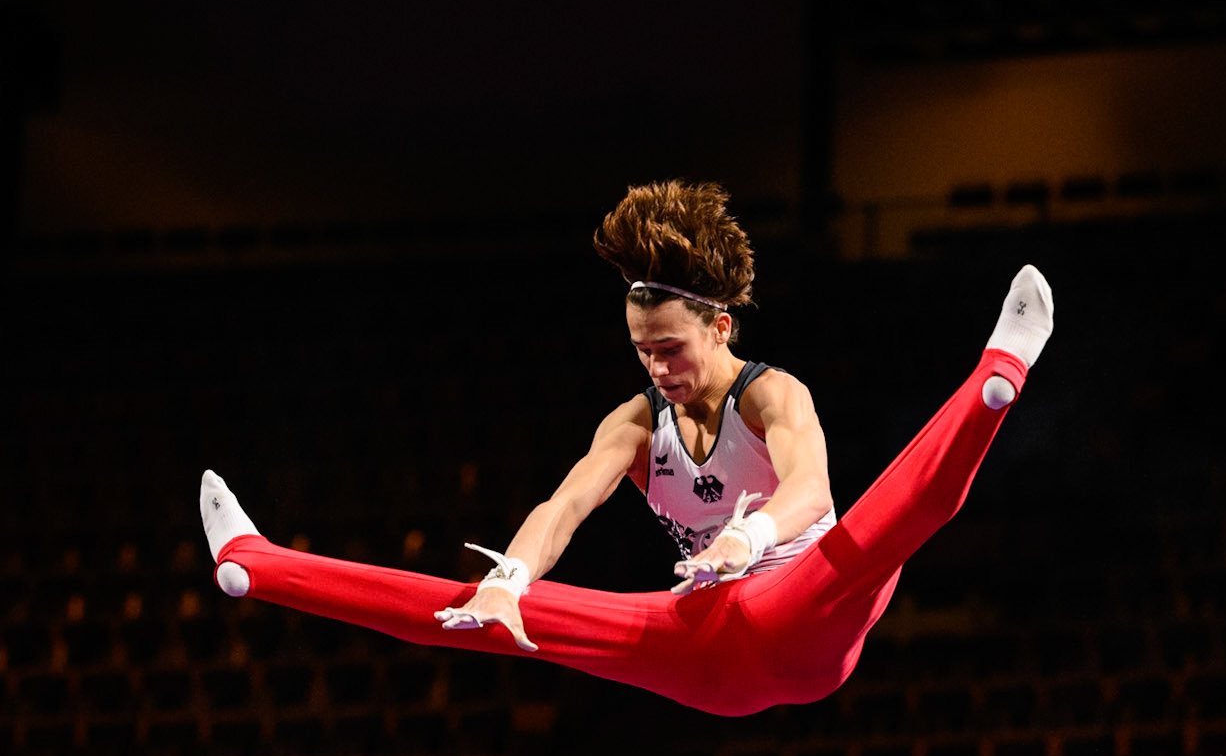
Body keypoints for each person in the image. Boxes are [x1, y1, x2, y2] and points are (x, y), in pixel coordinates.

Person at [199, 181, 1052, 718]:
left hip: (801, 611)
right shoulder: (635, 425)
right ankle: (252, 562)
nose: (657, 368)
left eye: (671, 349)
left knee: (880, 529)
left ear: (720, 327)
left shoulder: (772, 395)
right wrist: (511, 579)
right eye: (642, 351)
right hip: (704, 649)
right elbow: (565, 504)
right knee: (477, 614)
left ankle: (996, 374)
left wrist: (746, 538)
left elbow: (808, 490)